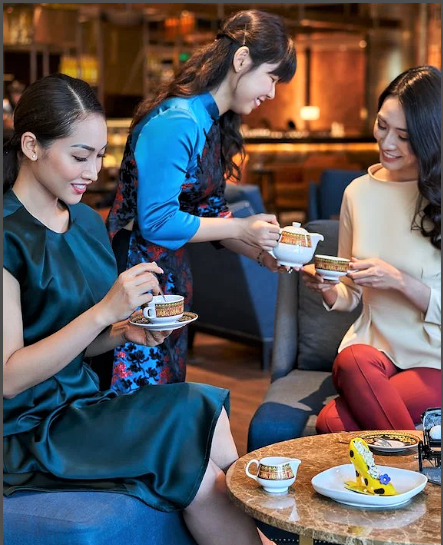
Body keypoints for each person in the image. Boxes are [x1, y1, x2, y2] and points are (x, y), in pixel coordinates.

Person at [2, 73, 275, 545]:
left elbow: (81, 349)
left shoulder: (85, 221)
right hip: (29, 431)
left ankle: (270, 532)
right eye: (79, 156)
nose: (92, 171)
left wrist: (126, 332)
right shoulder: (7, 236)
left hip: (81, 406)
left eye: (100, 156)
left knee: (197, 403)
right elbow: (8, 378)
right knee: (194, 460)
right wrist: (105, 314)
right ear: (30, 146)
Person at [106, 9, 297, 392]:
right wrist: (242, 226)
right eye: (271, 78)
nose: (272, 94)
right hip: (134, 279)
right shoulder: (179, 120)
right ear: (242, 60)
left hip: (167, 278)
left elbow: (208, 213)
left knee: (166, 400)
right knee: (141, 402)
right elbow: (157, 221)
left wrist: (261, 252)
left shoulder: (210, 120)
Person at [301, 65, 441, 433]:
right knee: (351, 361)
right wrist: (328, 286)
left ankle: (405, 466)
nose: (387, 143)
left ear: (430, 137)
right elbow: (351, 294)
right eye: (382, 126)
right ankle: (417, 464)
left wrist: (399, 281)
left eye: (404, 136)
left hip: (435, 357)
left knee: (332, 421)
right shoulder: (358, 193)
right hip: (372, 352)